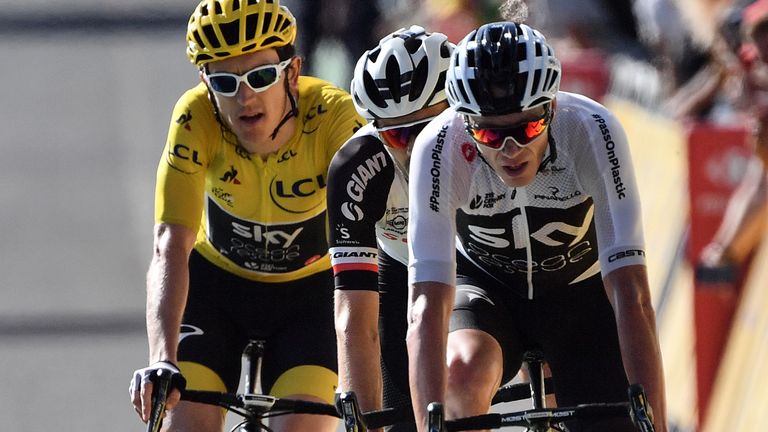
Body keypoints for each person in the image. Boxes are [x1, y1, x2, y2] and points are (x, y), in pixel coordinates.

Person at [405, 21, 668, 432]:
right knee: (459, 373)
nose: (511, 150)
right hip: (486, 290)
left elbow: (632, 293)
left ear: (552, 108)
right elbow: (425, 306)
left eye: (527, 128)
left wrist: (654, 420)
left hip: (578, 291)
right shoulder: (439, 147)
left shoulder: (591, 130)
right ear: (464, 122)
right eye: (489, 133)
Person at [128, 1, 365, 431]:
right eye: (224, 81)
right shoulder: (194, 114)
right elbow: (169, 245)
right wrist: (161, 359)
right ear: (205, 82)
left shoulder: (335, 117)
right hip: (215, 289)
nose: (245, 97)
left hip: (309, 299)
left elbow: (379, 242)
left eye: (259, 77)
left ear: (292, 72)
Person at [327, 26, 453, 431]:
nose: (416, 145)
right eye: (399, 133)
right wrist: (363, 420)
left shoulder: (491, 142)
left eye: (429, 127)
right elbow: (354, 316)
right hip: (405, 272)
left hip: (488, 267)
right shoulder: (357, 168)